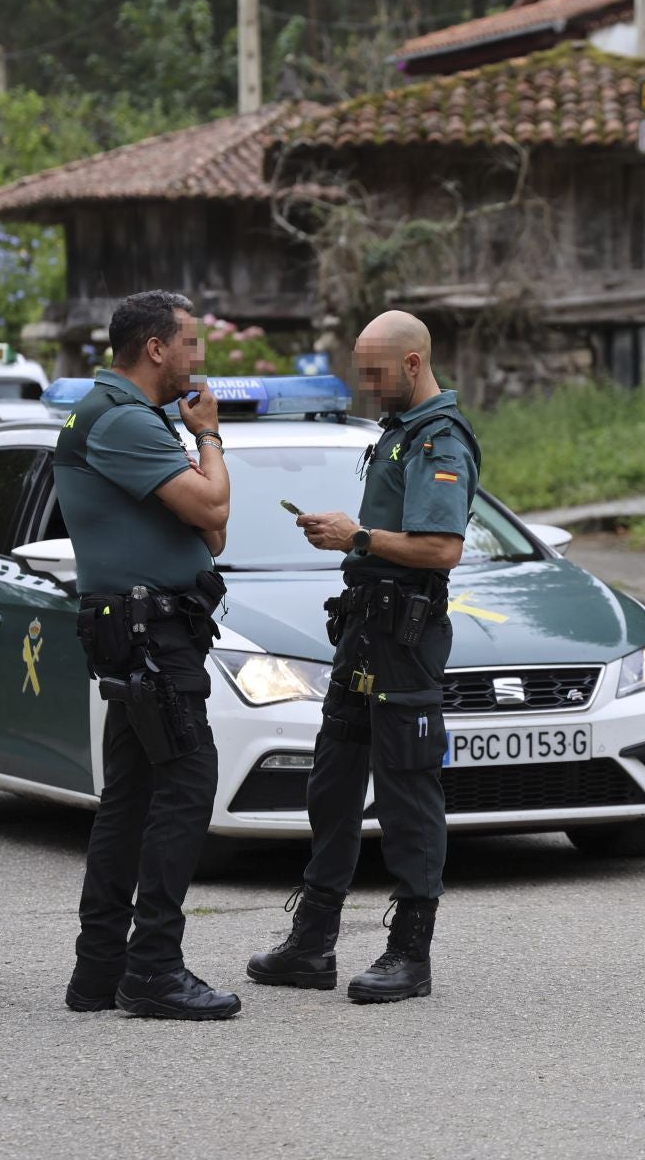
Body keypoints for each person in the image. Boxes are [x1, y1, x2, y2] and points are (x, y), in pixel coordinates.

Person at [247, 309, 480, 1004]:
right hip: (363, 635)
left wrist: (359, 537)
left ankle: (410, 953)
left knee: (408, 792)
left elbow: (442, 550)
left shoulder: (441, 439)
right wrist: (349, 537)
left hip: (404, 642)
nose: (365, 384)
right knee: (333, 783)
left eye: (375, 372)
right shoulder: (397, 434)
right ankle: (313, 942)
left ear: (412, 364)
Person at [54, 290, 241, 1021]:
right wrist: (212, 439)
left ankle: (99, 969)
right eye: (190, 342)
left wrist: (200, 483)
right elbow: (215, 511)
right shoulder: (124, 420)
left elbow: (208, 532)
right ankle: (155, 965)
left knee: (129, 802)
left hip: (138, 628)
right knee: (189, 785)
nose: (199, 357)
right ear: (156, 348)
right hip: (149, 633)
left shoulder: (118, 416)